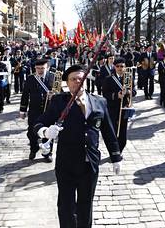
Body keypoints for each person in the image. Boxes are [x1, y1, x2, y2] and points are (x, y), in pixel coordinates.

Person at [33, 64, 122, 228]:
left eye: (80, 78)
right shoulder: (59, 101)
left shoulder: (99, 102)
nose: (77, 82)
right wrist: (45, 132)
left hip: (90, 163)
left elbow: (108, 131)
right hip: (67, 163)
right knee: (66, 206)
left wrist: (116, 157)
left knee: (86, 205)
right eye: (73, 79)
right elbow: (38, 123)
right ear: (67, 82)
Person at [20, 58, 55, 162]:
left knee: (49, 132)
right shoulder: (31, 79)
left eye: (42, 68)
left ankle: (47, 153)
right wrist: (23, 110)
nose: (40, 70)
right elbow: (25, 95)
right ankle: (33, 149)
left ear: (47, 67)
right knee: (32, 131)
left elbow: (60, 93)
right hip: (34, 110)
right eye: (38, 68)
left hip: (49, 110)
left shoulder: (53, 77)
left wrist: (54, 96)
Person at [102, 57, 136, 153]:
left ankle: (120, 149)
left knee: (122, 131)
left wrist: (129, 92)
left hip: (124, 108)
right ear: (114, 67)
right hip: (112, 108)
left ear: (125, 67)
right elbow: (105, 94)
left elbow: (134, 92)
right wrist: (116, 95)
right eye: (118, 66)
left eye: (122, 66)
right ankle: (113, 150)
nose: (120, 68)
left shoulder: (128, 77)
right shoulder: (108, 79)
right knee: (113, 130)